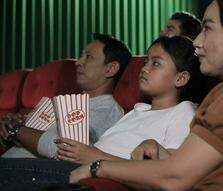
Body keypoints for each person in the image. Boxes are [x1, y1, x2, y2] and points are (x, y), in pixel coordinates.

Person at [69, 0, 223, 191]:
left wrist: (98, 167)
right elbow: (212, 165)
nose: (198, 42)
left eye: (207, 29)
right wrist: (164, 153)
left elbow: (175, 177)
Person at [0, 35, 201, 191]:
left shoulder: (183, 111)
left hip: (95, 176)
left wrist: (95, 159)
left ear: (180, 78)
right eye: (146, 61)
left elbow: (168, 171)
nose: (145, 68)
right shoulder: (137, 111)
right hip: (83, 166)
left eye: (156, 63)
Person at [0, 33, 132, 158]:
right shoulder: (65, 103)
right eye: (81, 56)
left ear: (110, 69)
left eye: (88, 57)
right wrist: (8, 128)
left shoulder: (107, 110)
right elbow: (20, 141)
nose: (78, 62)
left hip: (29, 174)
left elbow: (64, 149)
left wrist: (17, 131)